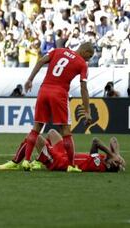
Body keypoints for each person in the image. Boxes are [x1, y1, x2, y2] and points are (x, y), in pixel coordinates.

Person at [19, 42, 95, 171]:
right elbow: (84, 88)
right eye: (90, 55)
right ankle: (71, 166)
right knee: (66, 130)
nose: (90, 58)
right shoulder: (82, 64)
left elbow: (40, 62)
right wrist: (87, 111)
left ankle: (26, 161)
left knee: (36, 127)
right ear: (84, 51)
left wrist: (30, 79)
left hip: (44, 90)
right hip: (59, 93)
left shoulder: (58, 51)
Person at [0, 129, 126, 172]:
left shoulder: (101, 165)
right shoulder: (102, 159)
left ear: (110, 165)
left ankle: (15, 162)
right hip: (64, 154)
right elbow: (112, 140)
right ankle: (39, 160)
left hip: (59, 161)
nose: (110, 152)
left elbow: (97, 140)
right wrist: (117, 155)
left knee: (33, 137)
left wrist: (113, 156)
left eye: (114, 161)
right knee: (52, 132)